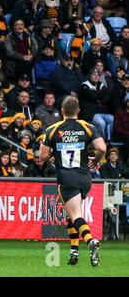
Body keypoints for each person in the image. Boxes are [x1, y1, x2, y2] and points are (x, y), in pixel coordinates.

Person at [39, 96, 107, 266]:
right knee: (72, 213)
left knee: (75, 215)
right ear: (78, 111)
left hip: (67, 177)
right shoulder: (87, 127)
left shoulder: (53, 129)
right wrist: (96, 159)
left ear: (61, 111)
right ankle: (74, 252)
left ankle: (91, 241)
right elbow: (102, 148)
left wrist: (55, 153)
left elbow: (42, 156)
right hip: (85, 177)